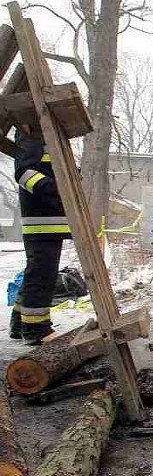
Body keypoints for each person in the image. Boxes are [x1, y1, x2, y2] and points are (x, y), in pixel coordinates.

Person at [10, 127, 72, 344]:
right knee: (42, 273)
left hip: (50, 218)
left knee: (37, 271)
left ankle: (19, 324)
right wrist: (58, 187)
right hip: (41, 219)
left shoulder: (48, 133)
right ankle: (37, 329)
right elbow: (24, 172)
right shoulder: (31, 131)